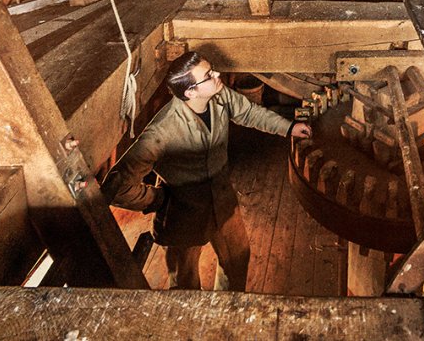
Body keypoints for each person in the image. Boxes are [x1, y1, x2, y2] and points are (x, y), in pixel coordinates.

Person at [101, 51, 312, 291]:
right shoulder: (161, 132)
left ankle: (227, 309)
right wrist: (160, 200)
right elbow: (116, 187)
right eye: (209, 75)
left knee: (237, 260)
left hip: (223, 200)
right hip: (184, 212)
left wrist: (288, 128)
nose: (218, 75)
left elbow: (248, 113)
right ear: (190, 92)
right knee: (185, 281)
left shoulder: (219, 95)